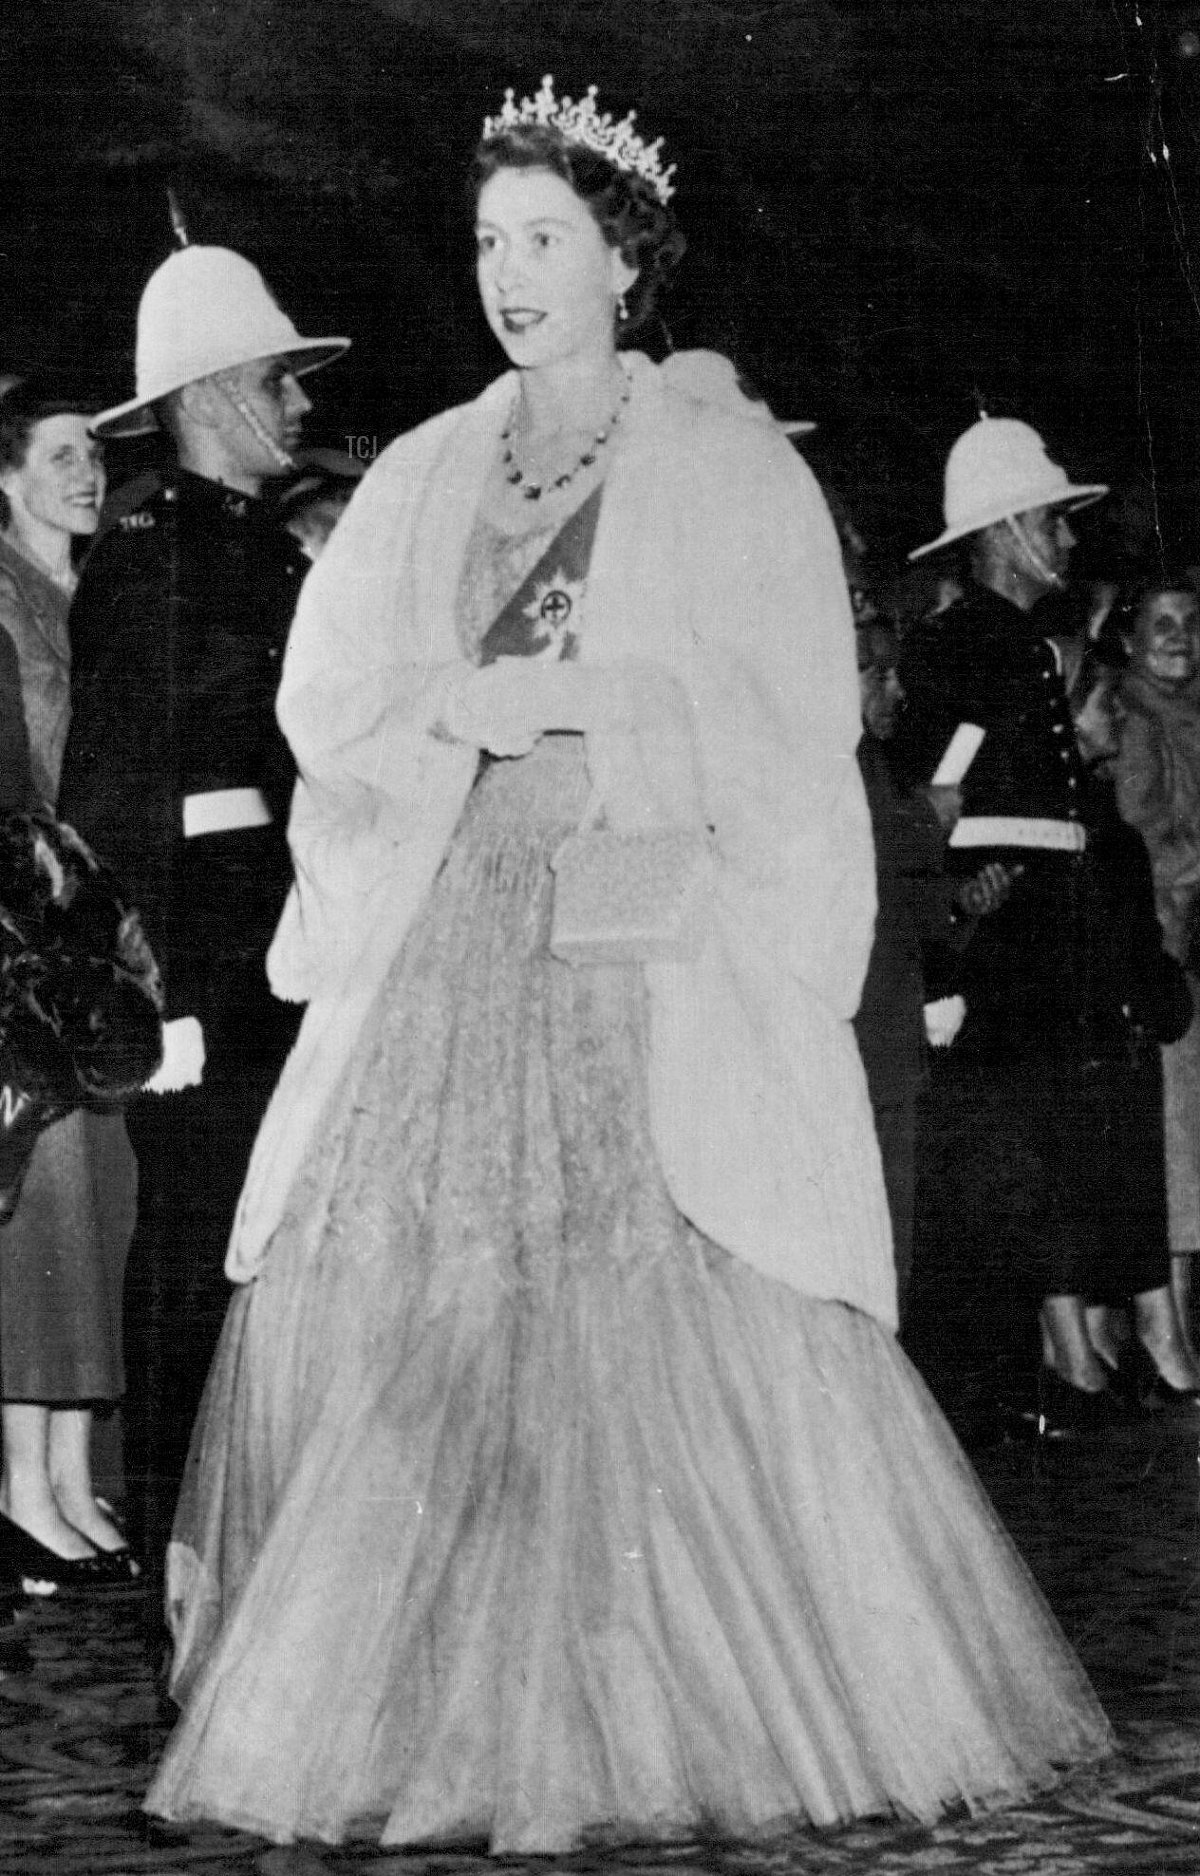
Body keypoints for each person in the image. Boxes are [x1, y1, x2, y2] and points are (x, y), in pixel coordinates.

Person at [146, 80, 1111, 1851]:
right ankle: (441, 1710)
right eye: (489, 243)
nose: (512, 274)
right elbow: (330, 696)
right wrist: (466, 700)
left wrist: (622, 703)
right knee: (441, 1301)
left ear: (625, 258)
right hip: (463, 915)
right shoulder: (425, 471)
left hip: (647, 908)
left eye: (547, 239)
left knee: (656, 1285)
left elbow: (793, 719)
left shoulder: (727, 466)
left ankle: (658, 1696)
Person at [57, 246, 348, 1592]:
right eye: (279, 381)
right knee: (193, 1247)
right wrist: (154, 993)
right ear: (218, 391)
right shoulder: (149, 560)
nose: (300, 405)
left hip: (286, 951)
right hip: (208, 970)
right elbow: (113, 796)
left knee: (272, 1248)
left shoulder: (263, 554)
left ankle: (261, 1538)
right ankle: (187, 1551)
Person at [897, 417, 1200, 1430]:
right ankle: (1055, 1368)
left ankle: (1080, 1362)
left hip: (1063, 918)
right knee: (1027, 1145)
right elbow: (936, 792)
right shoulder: (956, 646)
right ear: (1005, 532)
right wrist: (953, 919)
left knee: (1078, 1136)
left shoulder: (1023, 644)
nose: (1067, 541)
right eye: (1051, 523)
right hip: (1010, 927)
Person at [0, 380, 141, 1593]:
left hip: (88, 930)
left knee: (93, 1197)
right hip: (26, 928)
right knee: (40, 1201)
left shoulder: (90, 593)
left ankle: (68, 1475)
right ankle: (22, 1490)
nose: (87, 471)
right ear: (6, 477)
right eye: (59, 455)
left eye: (95, 452)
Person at [851, 614, 1011, 1317]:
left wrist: (958, 904)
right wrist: (924, 819)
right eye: (878, 674)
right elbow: (849, 853)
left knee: (893, 1228)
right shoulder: (831, 761)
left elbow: (893, 898)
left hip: (889, 1028)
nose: (897, 691)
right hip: (859, 1028)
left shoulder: (872, 759)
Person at [1115, 575, 1200, 1363]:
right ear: (1131, 641)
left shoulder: (1188, 714)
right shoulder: (1135, 721)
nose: (1178, 638)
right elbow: (1138, 843)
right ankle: (1164, 1328)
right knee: (1175, 1142)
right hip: (1165, 955)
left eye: (1189, 623)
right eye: (1161, 624)